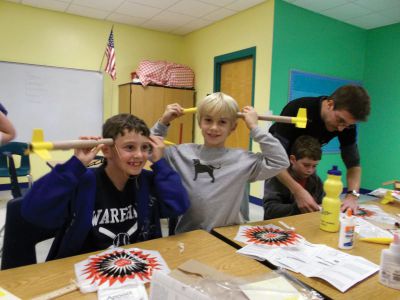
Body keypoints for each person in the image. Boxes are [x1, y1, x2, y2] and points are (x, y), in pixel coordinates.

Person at [21, 113, 190, 260]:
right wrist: (75, 165)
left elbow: (178, 206)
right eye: (130, 147)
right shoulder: (84, 181)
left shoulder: (147, 181)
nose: (139, 155)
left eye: (145, 147)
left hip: (135, 266)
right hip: (84, 270)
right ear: (107, 151)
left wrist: (159, 163)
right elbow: (33, 210)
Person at [151, 92, 289, 233]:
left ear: (233, 127)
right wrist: (163, 122)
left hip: (226, 235)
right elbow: (148, 149)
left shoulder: (243, 160)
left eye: (222, 122)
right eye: (208, 120)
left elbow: (280, 161)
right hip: (189, 236)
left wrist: (255, 128)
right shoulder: (180, 154)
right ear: (200, 123)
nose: (214, 127)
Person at [270, 84, 370, 213]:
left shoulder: (347, 125)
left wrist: (352, 196)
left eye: (347, 125)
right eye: (340, 120)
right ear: (330, 104)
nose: (341, 129)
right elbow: (273, 160)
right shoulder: (298, 108)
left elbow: (353, 164)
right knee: (278, 207)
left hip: (302, 160)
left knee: (309, 205)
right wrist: (298, 191)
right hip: (278, 162)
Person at [263, 135, 323, 219]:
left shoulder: (315, 180)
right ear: (292, 159)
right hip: (277, 227)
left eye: (314, 166)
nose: (310, 170)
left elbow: (321, 202)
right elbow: (270, 210)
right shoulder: (277, 177)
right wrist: (300, 206)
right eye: (306, 165)